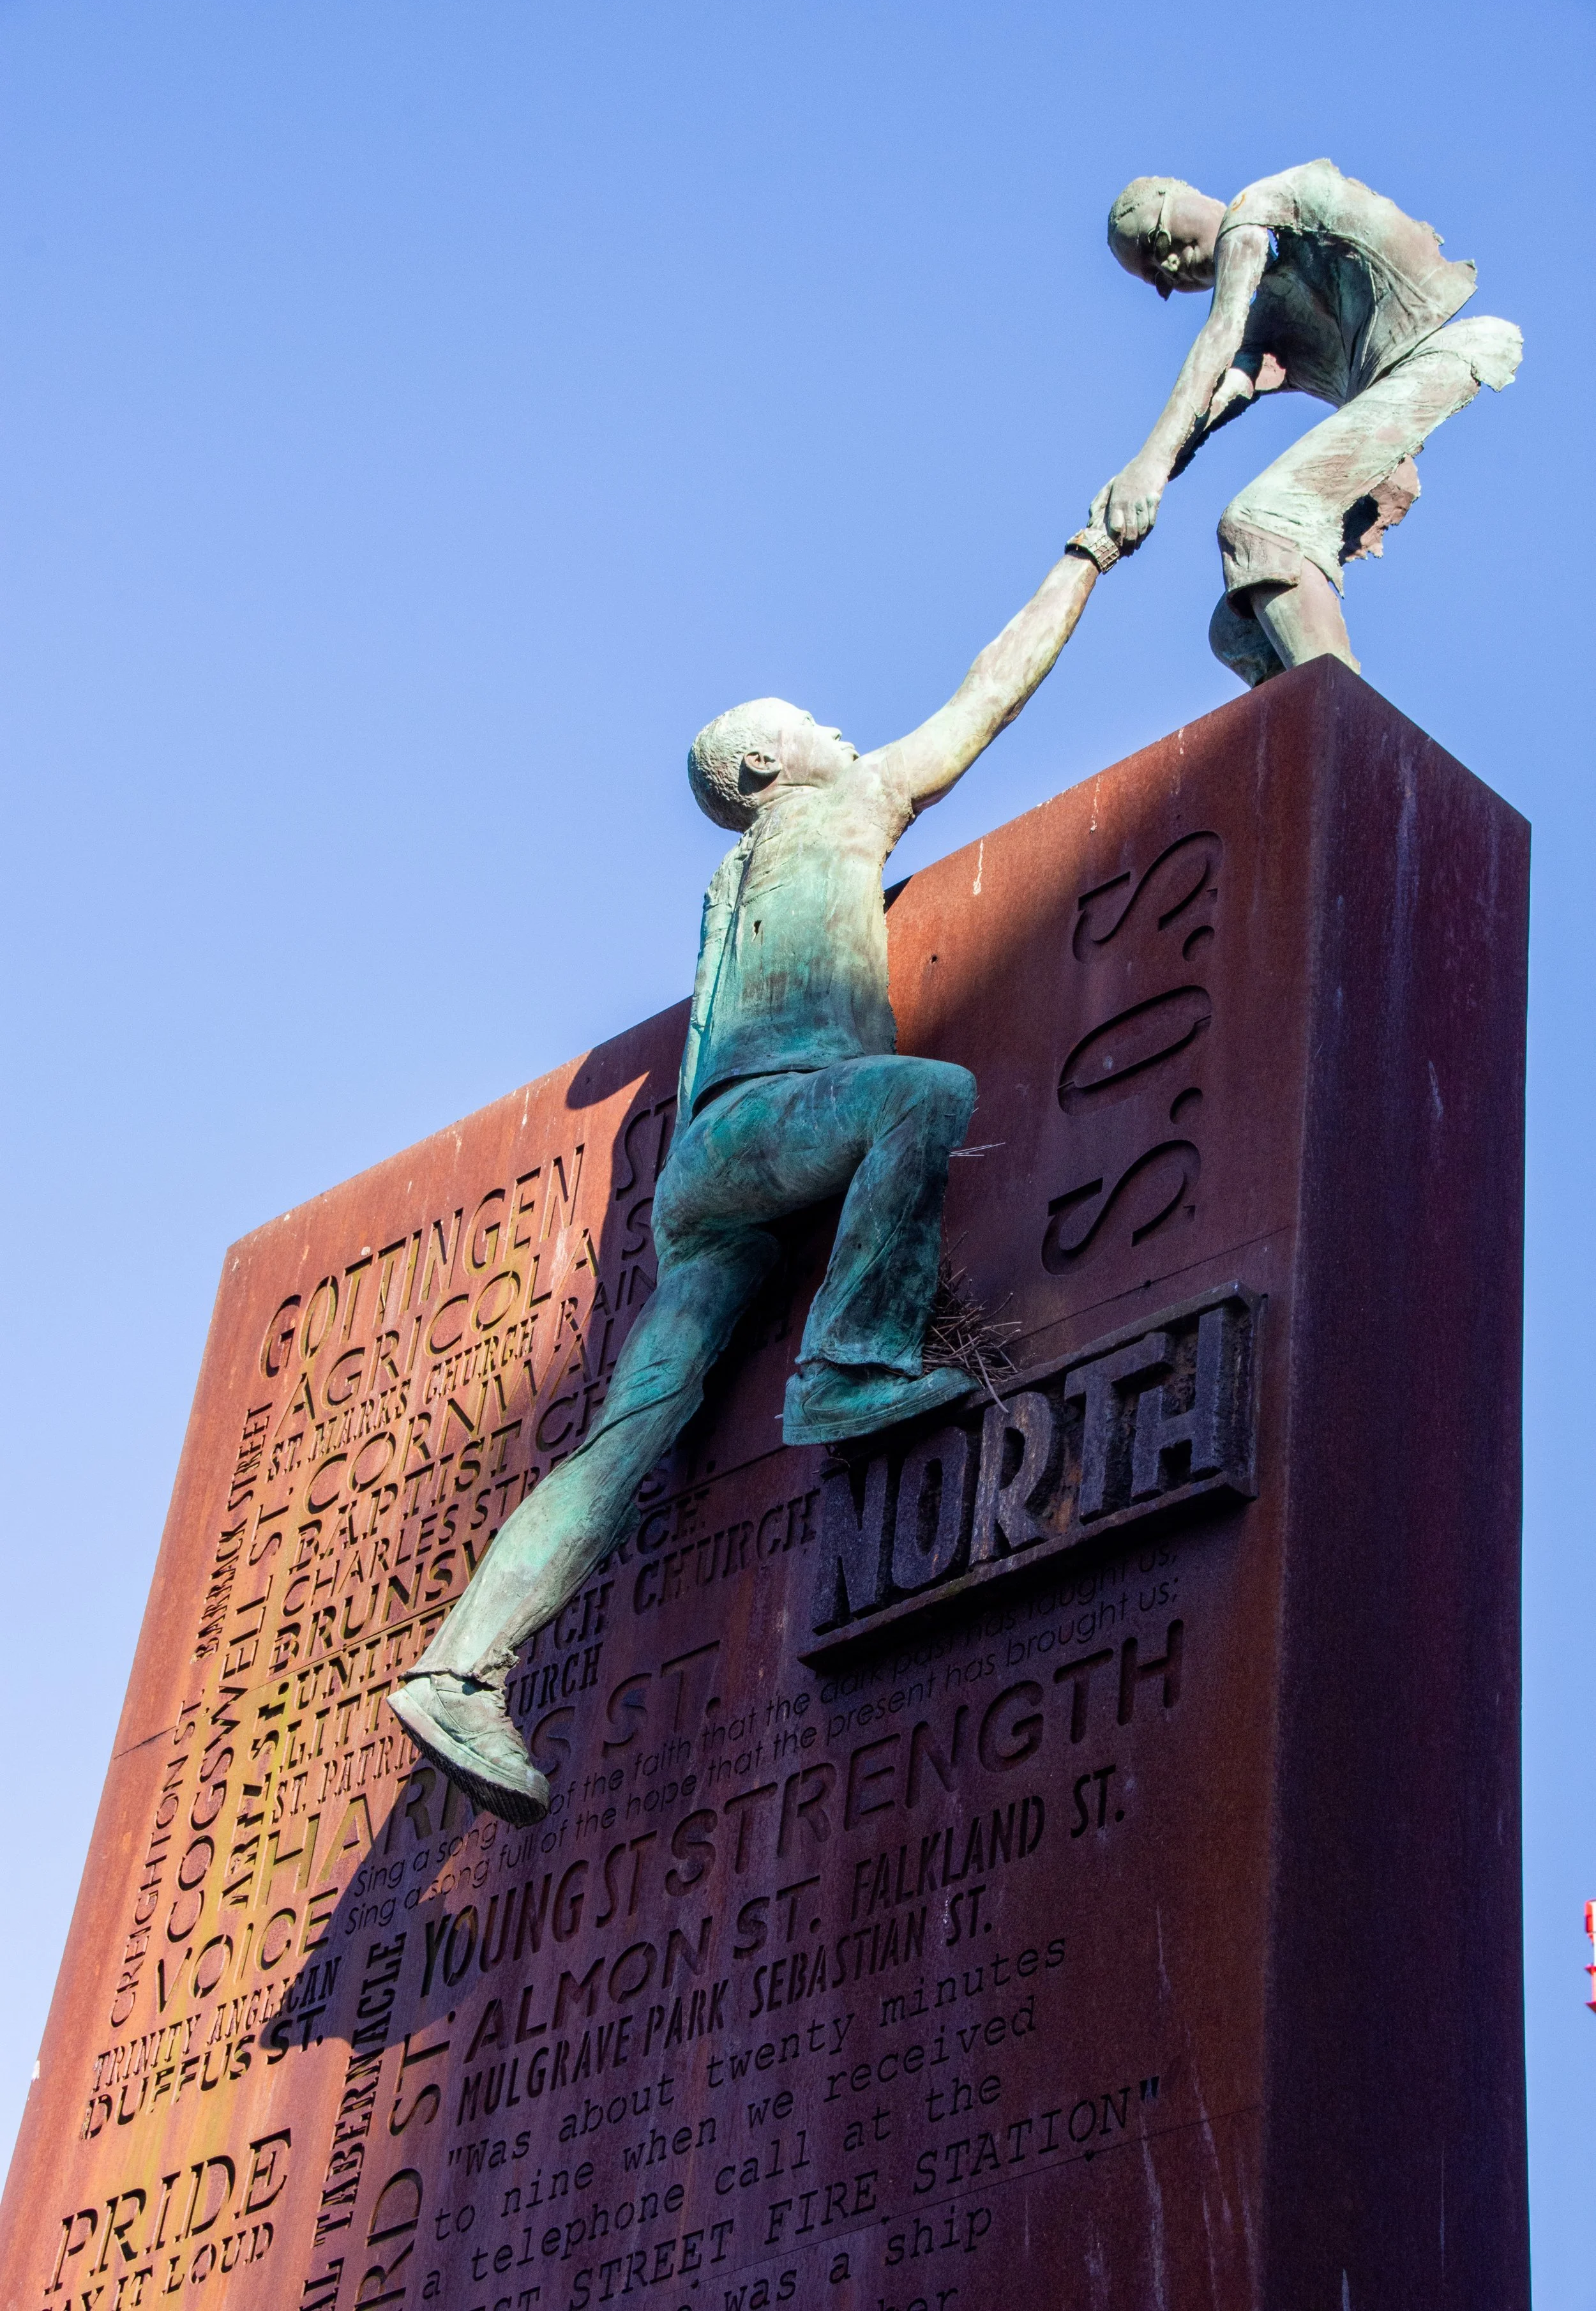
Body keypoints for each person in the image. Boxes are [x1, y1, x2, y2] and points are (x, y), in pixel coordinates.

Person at [388, 515, 1115, 1822]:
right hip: (768, 1126)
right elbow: (984, 698)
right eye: (822, 726)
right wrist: (1087, 555)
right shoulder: (832, 806)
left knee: (631, 1429)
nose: (847, 738)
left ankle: (458, 1666)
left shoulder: (728, 888)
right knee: (921, 1097)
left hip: (701, 1181)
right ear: (772, 762)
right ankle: (846, 1362)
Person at [1099, 159, 1521, 684]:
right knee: (1238, 630)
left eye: (1157, 238)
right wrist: (1145, 479)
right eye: (1157, 275)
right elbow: (1217, 393)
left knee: (1261, 522)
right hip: (1392, 395)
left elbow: (1219, 337)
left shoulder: (1256, 208)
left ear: (1181, 193)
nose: (1170, 262)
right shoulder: (1265, 317)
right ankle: (1305, 750)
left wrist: (1150, 464)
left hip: (1443, 350)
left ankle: (1344, 725)